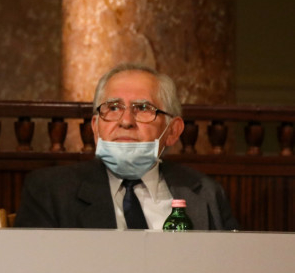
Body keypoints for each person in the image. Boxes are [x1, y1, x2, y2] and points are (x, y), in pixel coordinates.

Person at [15, 63, 238, 230]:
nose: (126, 121)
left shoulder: (206, 193)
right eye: (113, 108)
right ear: (95, 128)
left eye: (143, 108)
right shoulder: (51, 192)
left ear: (173, 131)